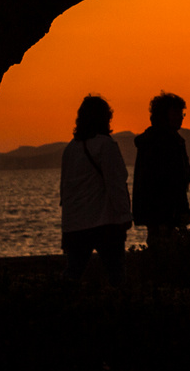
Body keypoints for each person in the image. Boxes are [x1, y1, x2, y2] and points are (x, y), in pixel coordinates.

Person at [60, 94, 131, 283]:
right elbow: (116, 184)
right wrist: (125, 215)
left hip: (75, 224)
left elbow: (65, 190)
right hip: (105, 223)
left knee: (73, 274)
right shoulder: (106, 145)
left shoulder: (70, 149)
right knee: (116, 275)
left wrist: (66, 227)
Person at [131, 91, 190, 244]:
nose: (180, 117)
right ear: (163, 115)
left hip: (163, 213)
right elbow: (164, 181)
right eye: (175, 113)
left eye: (181, 113)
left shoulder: (169, 141)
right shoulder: (162, 142)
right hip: (165, 213)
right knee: (167, 252)